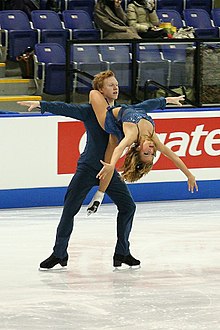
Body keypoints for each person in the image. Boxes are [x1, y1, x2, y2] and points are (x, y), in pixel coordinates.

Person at [17, 73, 141, 270]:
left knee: (128, 207)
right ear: (101, 90)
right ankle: (59, 254)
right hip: (87, 168)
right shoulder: (89, 111)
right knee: (69, 210)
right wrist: (43, 105)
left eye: (116, 84)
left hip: (107, 170)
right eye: (110, 85)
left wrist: (164, 101)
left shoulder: (121, 113)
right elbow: (67, 109)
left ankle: (122, 252)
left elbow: (143, 110)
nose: (115, 88)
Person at [86, 70, 198, 215]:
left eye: (146, 153)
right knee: (137, 109)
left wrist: (112, 165)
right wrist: (189, 175)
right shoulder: (153, 138)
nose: (151, 149)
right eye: (152, 154)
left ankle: (99, 195)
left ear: (138, 149)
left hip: (109, 120)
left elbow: (120, 148)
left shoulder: (133, 134)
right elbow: (174, 157)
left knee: (93, 94)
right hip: (131, 110)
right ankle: (100, 195)